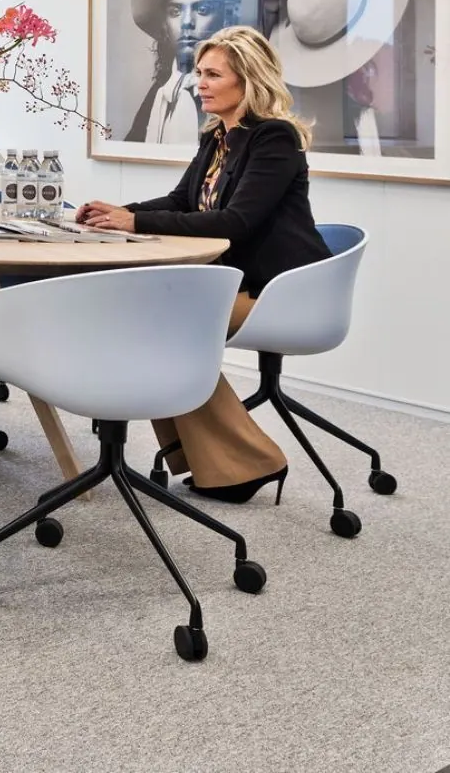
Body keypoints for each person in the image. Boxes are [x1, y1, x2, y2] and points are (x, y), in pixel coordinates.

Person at [80, 25, 330, 502]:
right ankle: (212, 460)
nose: (200, 83)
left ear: (248, 80)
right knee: (147, 319)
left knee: (161, 328)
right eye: (199, 73)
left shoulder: (273, 139)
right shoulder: (218, 137)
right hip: (236, 283)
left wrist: (133, 222)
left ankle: (250, 460)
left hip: (279, 294)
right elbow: (182, 200)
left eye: (213, 74)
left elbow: (234, 221)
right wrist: (117, 214)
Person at [124, 0, 260, 145]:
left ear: (225, 19)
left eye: (202, 9)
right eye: (175, 12)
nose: (187, 22)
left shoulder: (241, 93)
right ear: (164, 25)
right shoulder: (161, 93)